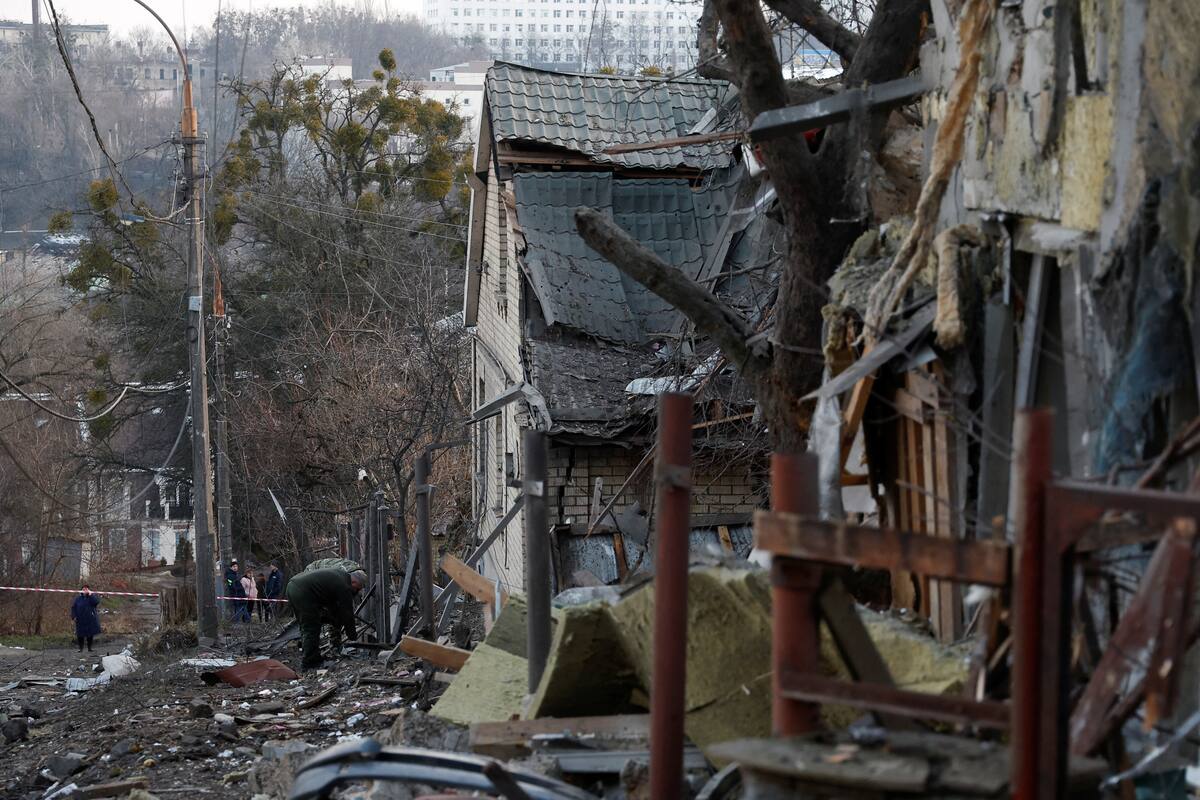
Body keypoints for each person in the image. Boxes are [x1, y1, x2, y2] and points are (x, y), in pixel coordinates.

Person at [284, 567, 365, 670]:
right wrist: (352, 635)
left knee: (305, 625)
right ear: (354, 581)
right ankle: (309, 662)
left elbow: (332, 604)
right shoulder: (344, 586)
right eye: (357, 588)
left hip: (293, 586)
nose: (356, 591)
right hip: (303, 592)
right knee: (311, 627)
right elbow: (347, 613)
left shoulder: (340, 575)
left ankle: (311, 654)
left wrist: (333, 618)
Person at [70, 585, 101, 652]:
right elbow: (73, 607)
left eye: (86, 589)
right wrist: (73, 616)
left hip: (90, 619)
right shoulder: (78, 598)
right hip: (80, 619)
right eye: (83, 589)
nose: (85, 590)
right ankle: (80, 648)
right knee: (80, 635)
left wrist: (91, 595)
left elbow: (96, 602)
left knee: (90, 634)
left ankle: (89, 648)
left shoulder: (92, 597)